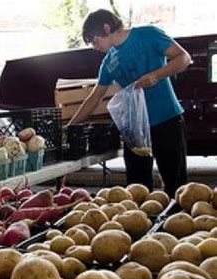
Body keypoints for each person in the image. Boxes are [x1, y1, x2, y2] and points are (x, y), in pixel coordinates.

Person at [68, 9, 191, 197]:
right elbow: (94, 98)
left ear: (106, 28)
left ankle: (177, 223)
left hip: (167, 120)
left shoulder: (148, 35)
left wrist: (156, 75)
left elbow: (184, 58)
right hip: (135, 130)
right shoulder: (108, 62)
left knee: (176, 185)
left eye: (94, 40)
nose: (94, 46)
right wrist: (70, 127)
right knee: (136, 188)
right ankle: (141, 224)